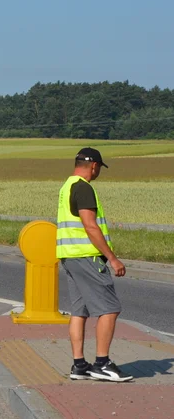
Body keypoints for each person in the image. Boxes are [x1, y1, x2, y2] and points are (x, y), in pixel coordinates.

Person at [58, 148, 131, 382]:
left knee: (80, 311)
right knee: (110, 308)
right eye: (99, 167)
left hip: (69, 256)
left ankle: (79, 365)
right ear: (94, 166)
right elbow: (90, 226)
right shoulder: (84, 188)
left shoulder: (67, 186)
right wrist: (112, 257)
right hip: (88, 257)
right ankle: (102, 363)